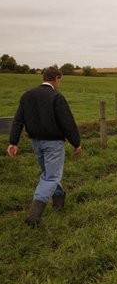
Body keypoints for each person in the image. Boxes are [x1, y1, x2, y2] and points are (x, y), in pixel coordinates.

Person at [7, 66, 82, 227]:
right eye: (60, 79)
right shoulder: (56, 96)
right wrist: (76, 143)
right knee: (51, 177)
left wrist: (13, 142)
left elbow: (18, 120)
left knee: (49, 173)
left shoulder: (27, 95)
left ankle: (59, 201)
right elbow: (67, 122)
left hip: (35, 142)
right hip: (53, 143)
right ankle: (34, 215)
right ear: (56, 78)